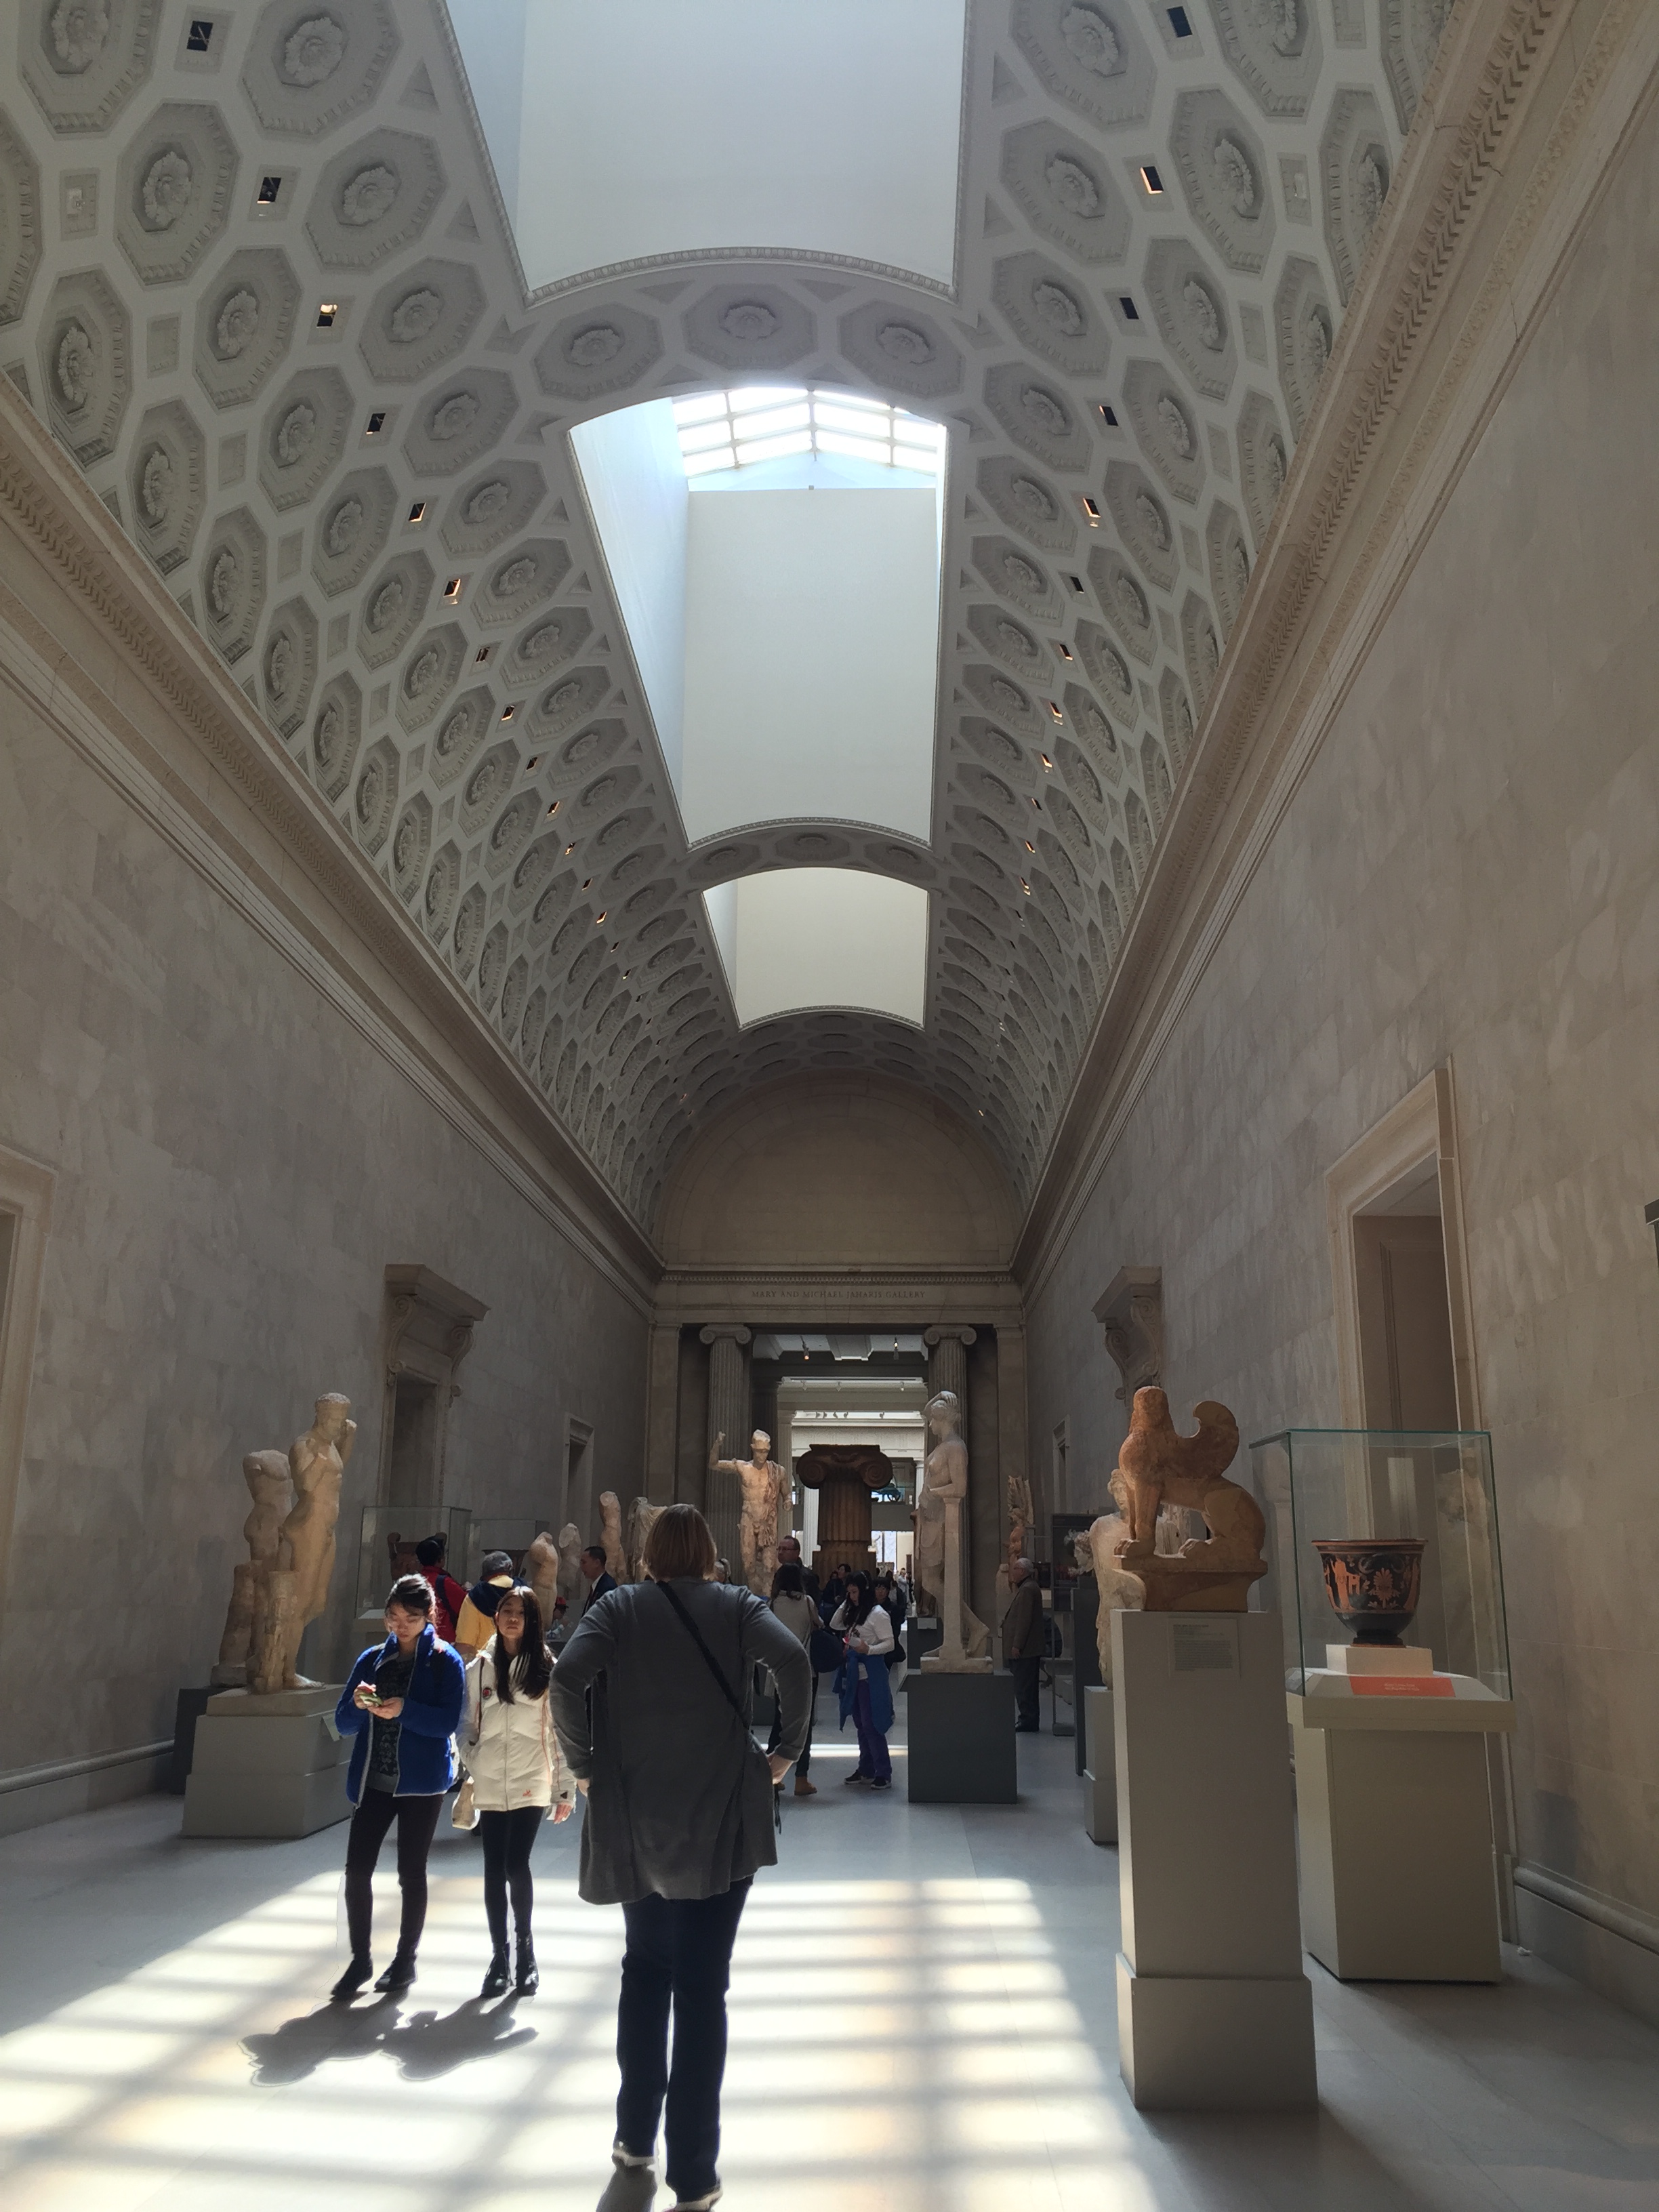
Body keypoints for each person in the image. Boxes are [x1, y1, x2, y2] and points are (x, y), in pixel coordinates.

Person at [551, 1503, 811, 2211]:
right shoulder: (734, 1605)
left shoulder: (620, 1608)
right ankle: (693, 2173)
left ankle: (634, 2137)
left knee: (645, 1970)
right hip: (720, 1812)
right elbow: (793, 1660)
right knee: (701, 1987)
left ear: (650, 1553)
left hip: (637, 1812)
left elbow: (566, 1678)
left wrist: (586, 1765)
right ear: (705, 1551)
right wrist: (785, 1752)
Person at [330, 1572, 466, 1999]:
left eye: (411, 1618)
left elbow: (448, 1723)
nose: (401, 1626)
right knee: (357, 1871)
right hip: (374, 1779)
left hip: (421, 1784)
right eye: (394, 1617)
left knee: (411, 1872)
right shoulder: (372, 1659)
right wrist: (358, 1705)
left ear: (429, 1617)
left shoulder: (445, 1661)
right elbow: (342, 1723)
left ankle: (405, 1960)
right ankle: (360, 1959)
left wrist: (405, 1709)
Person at [460, 1582, 575, 1997]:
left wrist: (564, 1788)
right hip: (491, 1777)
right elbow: (466, 1724)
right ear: (496, 1617)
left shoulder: (547, 1668)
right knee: (494, 1868)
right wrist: (473, 1759)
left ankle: (526, 1951)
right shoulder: (479, 1669)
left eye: (521, 1613)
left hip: (531, 1778)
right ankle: (499, 1957)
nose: (513, 1618)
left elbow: (559, 1731)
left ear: (532, 1621)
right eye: (507, 1610)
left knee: (515, 1864)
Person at [830, 1572, 895, 1788]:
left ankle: (883, 1771)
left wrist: (869, 1650)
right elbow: (835, 1623)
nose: (852, 1596)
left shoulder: (878, 1614)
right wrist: (847, 1602)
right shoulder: (853, 1612)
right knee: (860, 1723)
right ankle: (866, 1767)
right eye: (849, 1592)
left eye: (855, 1592)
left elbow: (890, 1644)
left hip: (870, 1675)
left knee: (872, 1723)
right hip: (853, 1674)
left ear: (864, 1591)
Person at [769, 1562, 817, 1797]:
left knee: (779, 1721)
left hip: (779, 1669)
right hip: (806, 1669)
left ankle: (771, 1775)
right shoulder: (807, 1603)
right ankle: (801, 1778)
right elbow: (819, 1624)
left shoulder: (772, 1605)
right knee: (803, 1724)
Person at [1002, 1555, 1045, 1732]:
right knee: (1026, 1685)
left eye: (1015, 1569)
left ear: (1022, 1571)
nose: (1012, 1573)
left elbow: (1024, 1620)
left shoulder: (1027, 1589)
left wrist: (1017, 1644)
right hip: (1028, 1649)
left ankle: (1027, 1719)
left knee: (1024, 1686)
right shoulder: (1028, 1587)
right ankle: (1029, 1719)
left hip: (1026, 1650)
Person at [455, 1549, 517, 1660]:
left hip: (485, 1665)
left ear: (485, 1575)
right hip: (519, 1664)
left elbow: (464, 1646)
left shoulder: (475, 1596)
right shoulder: (524, 1593)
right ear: (510, 1570)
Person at [415, 1534, 466, 1645]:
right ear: (440, 1559)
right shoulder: (445, 1582)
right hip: (443, 1641)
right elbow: (466, 1606)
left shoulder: (414, 1581)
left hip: (418, 1638)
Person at [773, 1534, 821, 1609]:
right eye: (779, 1549)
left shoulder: (808, 1576)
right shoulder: (779, 1573)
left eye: (785, 1549)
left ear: (797, 1552)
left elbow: (814, 1604)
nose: (780, 1552)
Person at [581, 1543, 618, 1608]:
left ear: (597, 1563)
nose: (581, 1567)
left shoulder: (608, 1587)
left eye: (584, 1563)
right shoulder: (598, 1585)